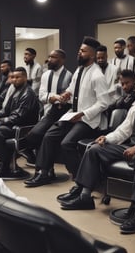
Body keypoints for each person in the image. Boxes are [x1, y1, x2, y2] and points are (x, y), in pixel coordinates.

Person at [57, 69, 135, 236]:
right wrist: (106, 139)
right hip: (132, 147)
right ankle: (85, 195)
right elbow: (123, 131)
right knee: (94, 148)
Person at [25, 36, 110, 187]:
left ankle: (80, 180)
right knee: (49, 135)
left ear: (91, 55)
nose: (79, 53)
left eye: (83, 51)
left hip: (88, 120)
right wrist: (66, 94)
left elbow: (104, 102)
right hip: (73, 114)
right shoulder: (79, 70)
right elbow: (72, 88)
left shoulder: (97, 75)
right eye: (79, 50)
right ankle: (43, 173)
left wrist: (83, 114)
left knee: (67, 143)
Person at [20, 49, 72, 166]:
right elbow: (41, 95)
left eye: (53, 57)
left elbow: (69, 97)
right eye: (49, 57)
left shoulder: (69, 76)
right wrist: (53, 97)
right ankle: (41, 165)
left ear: (62, 60)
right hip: (47, 111)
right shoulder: (46, 75)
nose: (49, 60)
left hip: (61, 114)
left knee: (45, 138)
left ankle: (44, 168)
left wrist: (59, 98)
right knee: (34, 135)